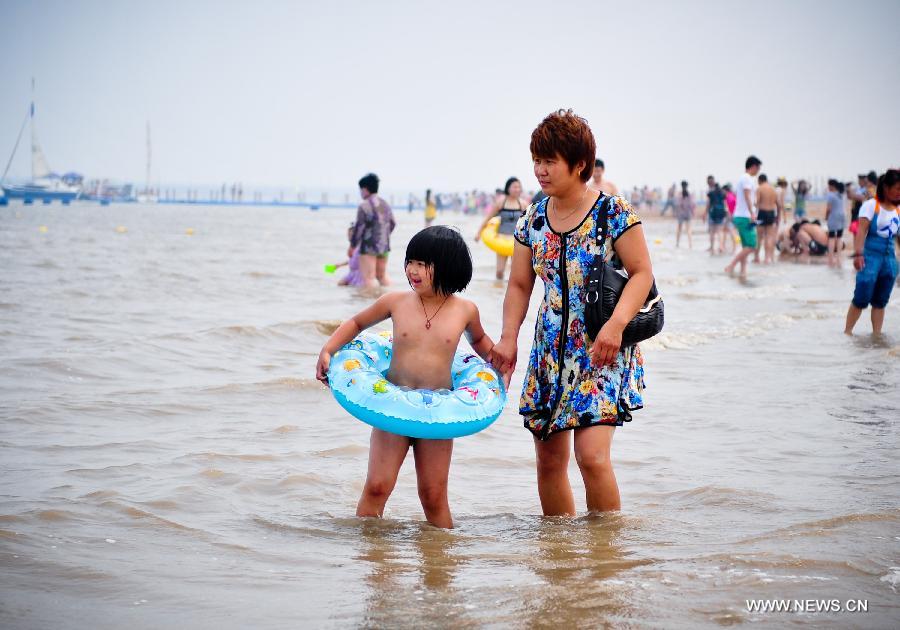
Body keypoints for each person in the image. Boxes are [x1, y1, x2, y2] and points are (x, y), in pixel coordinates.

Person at [489, 109, 653, 515]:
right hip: (549, 351)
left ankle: (604, 557)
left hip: (603, 345)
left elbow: (642, 274)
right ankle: (559, 562)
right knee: (548, 460)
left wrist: (616, 327)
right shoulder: (533, 219)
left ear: (579, 165)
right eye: (537, 160)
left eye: (550, 161)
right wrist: (509, 337)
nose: (540, 170)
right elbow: (520, 284)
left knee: (592, 457)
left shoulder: (611, 213)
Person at [316, 226, 496, 528]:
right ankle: (371, 561)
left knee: (433, 495)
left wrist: (498, 359)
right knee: (377, 487)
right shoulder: (396, 302)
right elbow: (357, 322)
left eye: (423, 264)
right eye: (410, 261)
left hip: (437, 413)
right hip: (392, 408)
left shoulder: (464, 310)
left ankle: (440, 565)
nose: (412, 270)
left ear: (448, 266)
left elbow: (480, 342)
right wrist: (328, 349)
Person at [845, 169, 900, 335]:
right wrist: (859, 254)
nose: (899, 193)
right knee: (861, 296)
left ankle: (876, 335)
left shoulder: (899, 210)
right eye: (897, 188)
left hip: (890, 258)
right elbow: (861, 231)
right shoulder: (870, 206)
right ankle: (847, 332)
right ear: (885, 187)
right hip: (870, 256)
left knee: (881, 301)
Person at [475, 177, 528, 279]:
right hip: (501, 239)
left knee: (515, 272)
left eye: (519, 187)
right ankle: (498, 289)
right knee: (499, 272)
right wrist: (478, 233)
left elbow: (529, 223)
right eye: (514, 187)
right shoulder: (501, 202)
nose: (517, 189)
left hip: (517, 241)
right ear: (508, 188)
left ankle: (510, 292)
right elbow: (488, 218)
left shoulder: (523, 204)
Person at [351, 173, 396, 288]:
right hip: (384, 245)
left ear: (365, 189)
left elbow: (359, 228)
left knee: (369, 278)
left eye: (360, 190)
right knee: (382, 277)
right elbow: (393, 223)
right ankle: (390, 297)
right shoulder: (385, 204)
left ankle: (370, 304)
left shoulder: (364, 206)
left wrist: (352, 245)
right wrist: (383, 236)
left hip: (368, 247)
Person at [724, 156, 762, 277]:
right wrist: (752, 213)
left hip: (741, 216)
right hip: (745, 216)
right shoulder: (746, 178)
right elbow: (747, 197)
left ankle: (743, 271)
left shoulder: (744, 178)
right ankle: (731, 266)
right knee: (752, 246)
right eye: (758, 167)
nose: (759, 171)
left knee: (746, 246)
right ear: (754, 166)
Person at [755, 173, 779, 264]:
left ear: (760, 180)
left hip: (762, 213)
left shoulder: (760, 189)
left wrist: (752, 215)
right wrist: (778, 217)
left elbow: (757, 203)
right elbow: (778, 204)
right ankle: (767, 258)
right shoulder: (773, 190)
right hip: (771, 213)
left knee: (759, 237)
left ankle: (757, 257)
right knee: (769, 237)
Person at [825, 179, 847, 267]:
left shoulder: (831, 195)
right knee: (839, 237)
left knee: (831, 237)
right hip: (842, 216)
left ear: (832, 186)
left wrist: (826, 217)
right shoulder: (842, 195)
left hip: (834, 217)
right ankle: (838, 257)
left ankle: (830, 257)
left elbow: (829, 209)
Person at [337, 223, 365, 287]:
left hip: (359, 273)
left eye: (351, 235)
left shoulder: (361, 246)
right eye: (348, 234)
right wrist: (339, 265)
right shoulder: (353, 246)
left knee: (356, 288)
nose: (349, 237)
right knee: (340, 284)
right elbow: (352, 259)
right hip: (352, 273)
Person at [706, 176, 727, 254]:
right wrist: (725, 212)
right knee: (719, 231)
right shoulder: (722, 192)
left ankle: (712, 247)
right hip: (721, 213)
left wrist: (705, 213)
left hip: (712, 213)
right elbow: (725, 203)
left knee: (712, 232)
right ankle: (721, 247)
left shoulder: (710, 192)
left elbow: (708, 204)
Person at [675, 180, 695, 248]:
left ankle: (677, 243)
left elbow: (677, 205)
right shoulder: (690, 194)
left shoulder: (679, 194)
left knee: (679, 229)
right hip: (688, 213)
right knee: (689, 229)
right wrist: (692, 213)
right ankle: (690, 244)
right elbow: (692, 205)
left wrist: (677, 213)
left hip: (681, 214)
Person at [722, 183, 737, 253]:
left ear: (725, 190)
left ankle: (734, 248)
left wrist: (729, 216)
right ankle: (723, 246)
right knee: (725, 231)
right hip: (734, 215)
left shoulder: (728, 197)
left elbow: (727, 208)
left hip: (730, 216)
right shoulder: (733, 195)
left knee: (731, 232)